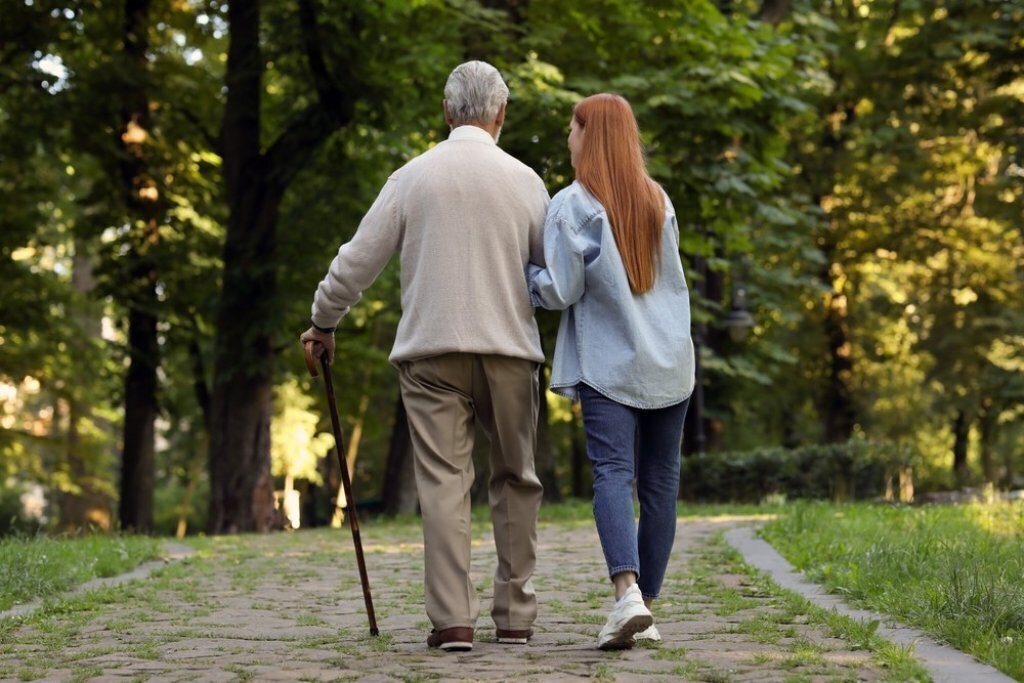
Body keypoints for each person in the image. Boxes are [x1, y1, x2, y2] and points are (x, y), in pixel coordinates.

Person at [301, 61, 549, 652]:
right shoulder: (527, 181)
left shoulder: (411, 178)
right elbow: (556, 274)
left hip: (432, 355)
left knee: (443, 483)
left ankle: (454, 621)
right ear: (500, 114)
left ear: (446, 111)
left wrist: (322, 321)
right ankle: (514, 616)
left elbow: (356, 260)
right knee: (516, 479)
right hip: (510, 352)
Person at [527, 93, 695, 650]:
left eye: (572, 129)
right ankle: (644, 604)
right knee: (660, 485)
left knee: (613, 475)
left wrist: (525, 275)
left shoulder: (574, 204)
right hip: (670, 359)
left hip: (611, 362)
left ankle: (628, 595)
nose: (567, 138)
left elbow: (560, 289)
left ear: (590, 136)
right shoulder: (658, 199)